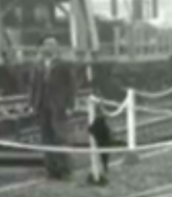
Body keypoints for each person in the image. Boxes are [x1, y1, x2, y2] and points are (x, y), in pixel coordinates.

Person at [29, 36, 76, 180]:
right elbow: (34, 86)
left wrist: (69, 105)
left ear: (56, 48)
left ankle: (65, 170)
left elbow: (71, 86)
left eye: (50, 45)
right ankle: (51, 170)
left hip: (58, 105)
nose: (47, 48)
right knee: (46, 138)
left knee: (60, 137)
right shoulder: (38, 65)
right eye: (45, 45)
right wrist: (32, 104)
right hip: (43, 105)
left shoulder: (63, 65)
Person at [87, 101, 120, 185]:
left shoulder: (98, 120)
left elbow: (90, 130)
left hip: (101, 139)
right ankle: (103, 168)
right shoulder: (101, 121)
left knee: (103, 155)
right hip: (104, 139)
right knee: (104, 155)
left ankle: (103, 168)